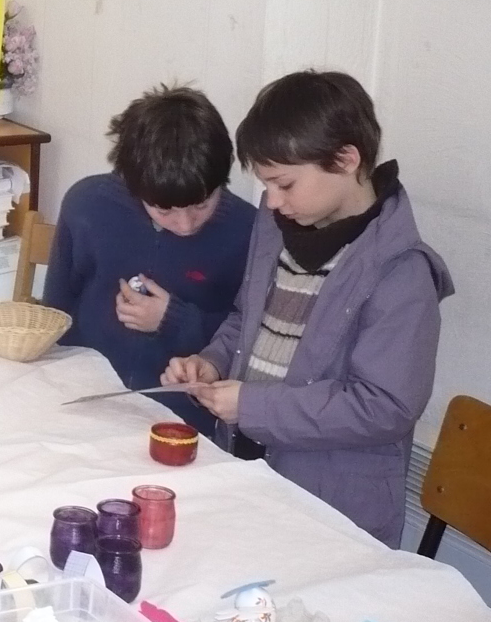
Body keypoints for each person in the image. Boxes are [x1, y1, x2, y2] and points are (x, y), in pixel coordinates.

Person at [164, 71, 453, 548]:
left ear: (346, 159)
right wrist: (212, 362)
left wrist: (252, 405)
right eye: (267, 185)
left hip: (333, 508)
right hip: (251, 472)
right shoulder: (276, 224)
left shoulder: (401, 272)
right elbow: (246, 319)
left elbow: (383, 408)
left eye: (285, 184)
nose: (273, 201)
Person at [44, 85, 255, 431]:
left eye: (202, 204)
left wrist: (173, 320)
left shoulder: (248, 230)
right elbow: (55, 315)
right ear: (132, 184)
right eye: (164, 210)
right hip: (84, 400)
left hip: (180, 418)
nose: (185, 225)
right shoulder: (87, 205)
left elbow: (251, 340)